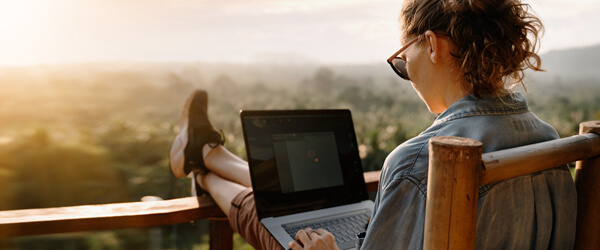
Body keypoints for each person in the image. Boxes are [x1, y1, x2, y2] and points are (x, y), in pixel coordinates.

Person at [169, 0, 577, 249]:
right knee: (291, 201)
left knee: (278, 222)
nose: (406, 71)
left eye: (403, 59)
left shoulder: (422, 161)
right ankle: (208, 153)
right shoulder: (549, 142)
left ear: (432, 45)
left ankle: (204, 170)